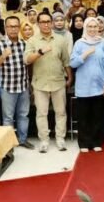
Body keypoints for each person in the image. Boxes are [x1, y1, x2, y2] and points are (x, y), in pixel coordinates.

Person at [25, 11, 72, 153]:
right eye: (42, 22)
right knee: (41, 113)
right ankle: (44, 140)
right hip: (40, 83)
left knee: (61, 112)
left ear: (51, 23)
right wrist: (40, 52)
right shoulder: (32, 41)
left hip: (58, 81)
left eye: (48, 21)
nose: (45, 24)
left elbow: (66, 61)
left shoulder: (60, 40)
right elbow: (26, 60)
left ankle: (60, 139)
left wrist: (70, 77)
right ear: (38, 24)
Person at [70, 17, 104, 152]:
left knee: (97, 117)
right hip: (83, 87)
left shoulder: (103, 43)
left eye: (95, 26)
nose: (93, 29)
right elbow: (72, 63)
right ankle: (83, 143)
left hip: (99, 87)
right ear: (85, 28)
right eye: (90, 27)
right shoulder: (79, 43)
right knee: (83, 117)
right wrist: (85, 54)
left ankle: (95, 142)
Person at [0, 16, 32, 149]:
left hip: (23, 86)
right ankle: (8, 143)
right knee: (8, 118)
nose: (13, 29)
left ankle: (23, 139)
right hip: (7, 87)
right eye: (10, 26)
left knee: (23, 115)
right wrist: (3, 56)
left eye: (16, 26)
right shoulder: (0, 44)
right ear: (5, 28)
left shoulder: (24, 44)